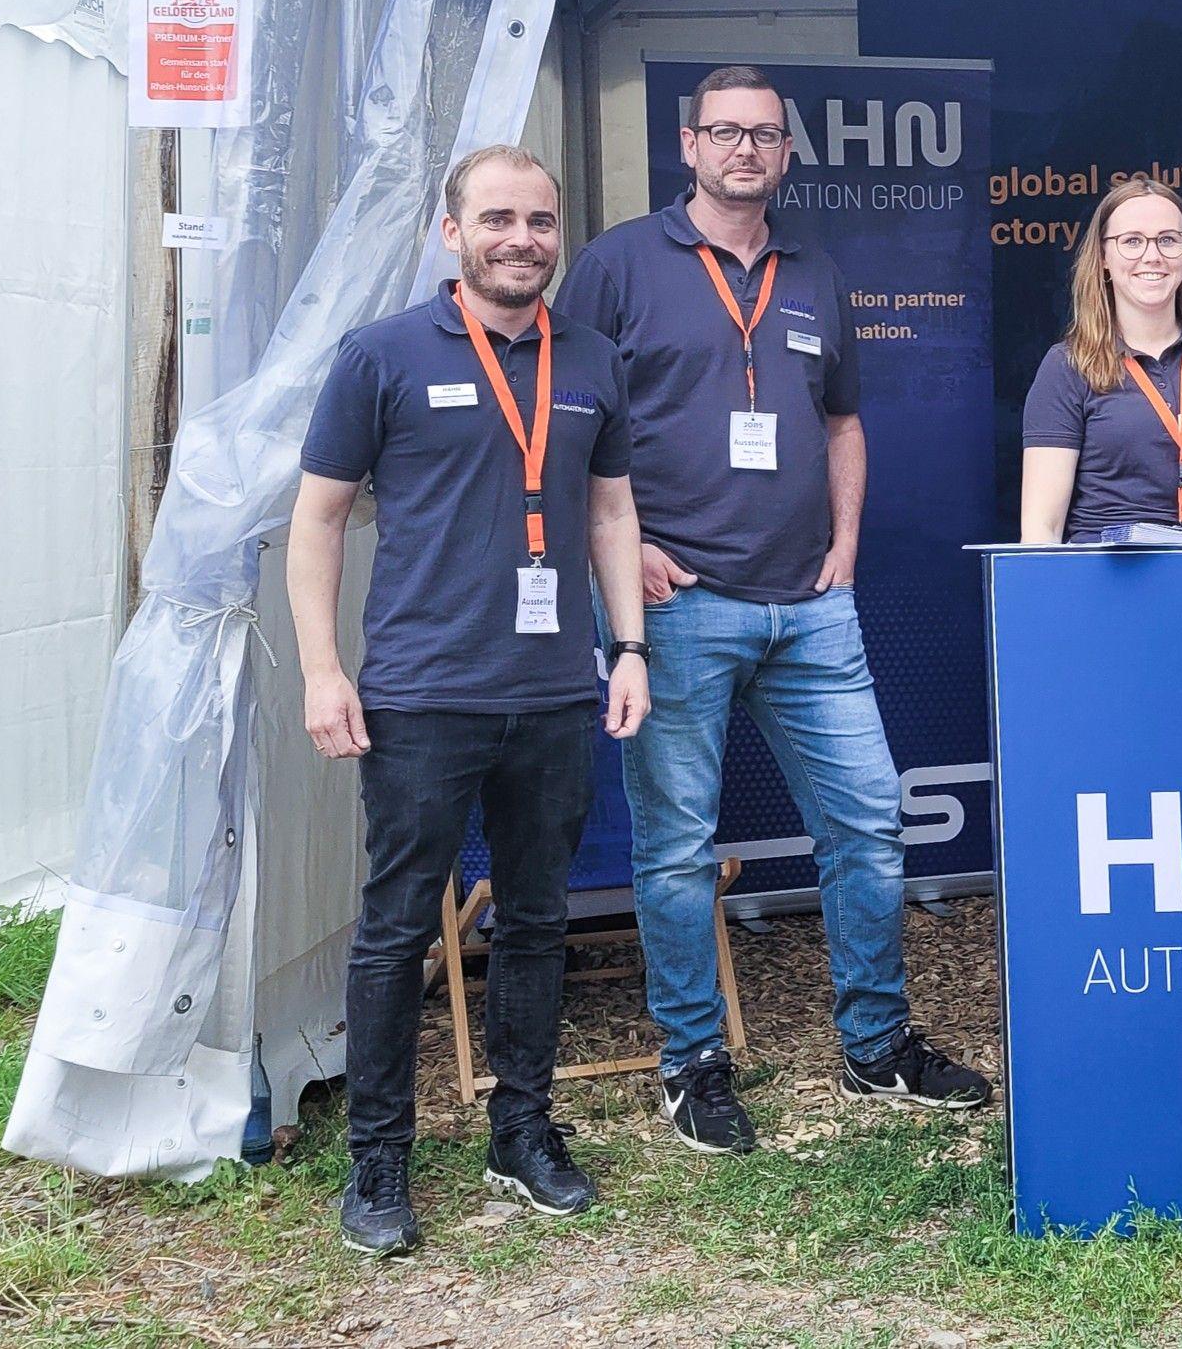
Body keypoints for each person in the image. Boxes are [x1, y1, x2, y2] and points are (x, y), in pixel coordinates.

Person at [556, 65, 992, 1151]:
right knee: (675, 850)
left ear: (786, 154)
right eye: (724, 132)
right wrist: (631, 552)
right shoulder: (616, 265)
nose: (743, 150)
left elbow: (840, 423)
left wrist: (843, 546)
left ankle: (876, 1045)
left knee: (869, 827)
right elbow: (558, 419)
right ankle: (692, 1064)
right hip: (680, 603)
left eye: (763, 135)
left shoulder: (814, 274)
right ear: (687, 142)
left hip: (811, 609)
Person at [289, 145, 649, 1257]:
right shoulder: (381, 355)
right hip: (421, 693)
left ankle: (521, 1129)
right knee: (398, 929)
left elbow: (610, 514)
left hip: (550, 693)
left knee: (538, 920)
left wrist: (627, 644)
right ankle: (379, 1158)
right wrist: (321, 668)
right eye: (497, 218)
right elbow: (316, 520)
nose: (521, 238)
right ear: (452, 232)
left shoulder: (589, 356)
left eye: (540, 221)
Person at [1019, 179, 1182, 542]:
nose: (1152, 256)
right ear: (1104, 259)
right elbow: (1042, 526)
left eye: (1168, 240)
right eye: (1132, 241)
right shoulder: (1068, 365)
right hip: (1109, 575)